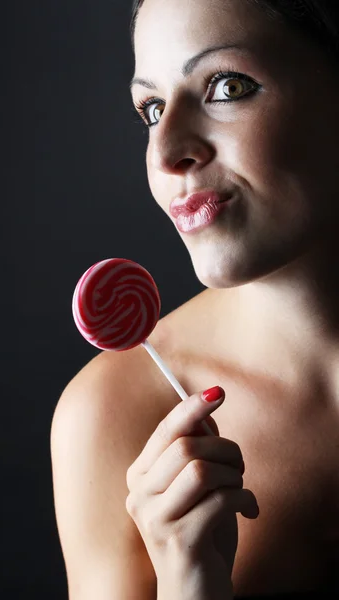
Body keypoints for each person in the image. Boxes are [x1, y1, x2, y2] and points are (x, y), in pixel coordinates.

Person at [50, 0, 339, 598]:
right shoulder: (112, 414)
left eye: (226, 86)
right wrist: (188, 586)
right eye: (152, 108)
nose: (164, 152)